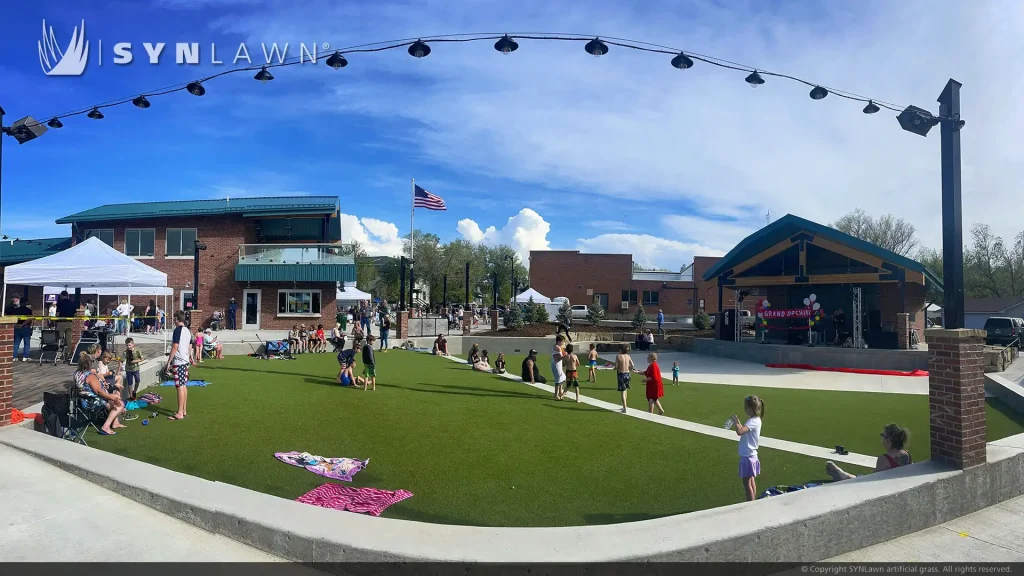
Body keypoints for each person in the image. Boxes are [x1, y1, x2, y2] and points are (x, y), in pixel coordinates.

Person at [826, 424, 912, 482]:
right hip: (897, 485)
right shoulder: (906, 454)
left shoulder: (884, 459)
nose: (881, 438)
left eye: (882, 435)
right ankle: (844, 475)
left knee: (858, 480)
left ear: (888, 440)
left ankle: (844, 476)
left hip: (883, 488)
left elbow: (873, 481)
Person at [74, 352, 125, 435]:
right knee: (120, 403)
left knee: (116, 397)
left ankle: (115, 422)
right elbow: (99, 392)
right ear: (89, 364)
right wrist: (113, 399)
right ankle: (106, 427)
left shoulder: (77, 373)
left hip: (83, 399)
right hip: (92, 402)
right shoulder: (90, 376)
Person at [729, 395, 765, 502]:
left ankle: (750, 504)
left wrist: (735, 422)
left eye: (746, 408)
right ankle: (753, 502)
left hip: (747, 456)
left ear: (751, 409)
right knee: (751, 481)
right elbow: (744, 430)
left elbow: (740, 432)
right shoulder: (756, 420)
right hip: (752, 455)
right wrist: (739, 423)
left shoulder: (752, 421)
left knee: (747, 483)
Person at [167, 311, 192, 421]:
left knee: (179, 386)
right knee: (183, 385)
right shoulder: (188, 330)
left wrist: (169, 362)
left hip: (179, 361)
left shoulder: (178, 330)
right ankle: (184, 410)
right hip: (185, 361)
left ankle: (180, 412)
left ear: (177, 319)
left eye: (174, 319)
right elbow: (190, 346)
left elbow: (175, 346)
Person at [9, 296, 32, 362]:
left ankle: (14, 356)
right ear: (25, 302)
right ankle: (25, 356)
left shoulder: (16, 310)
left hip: (17, 328)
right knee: (26, 343)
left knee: (16, 343)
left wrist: (16, 325)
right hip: (25, 327)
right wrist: (22, 325)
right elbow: (29, 319)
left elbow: (13, 319)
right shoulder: (28, 310)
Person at [615, 344, 635, 413]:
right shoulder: (628, 356)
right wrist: (628, 368)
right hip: (627, 374)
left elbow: (616, 366)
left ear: (620, 350)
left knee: (622, 392)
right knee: (625, 390)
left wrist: (616, 368)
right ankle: (624, 406)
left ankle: (624, 407)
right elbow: (632, 365)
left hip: (621, 374)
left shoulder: (618, 356)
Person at [55, 291, 77, 355]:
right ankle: (69, 352)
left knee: (59, 338)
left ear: (61, 296)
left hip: (61, 322)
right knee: (69, 339)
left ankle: (59, 353)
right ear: (67, 296)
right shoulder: (72, 303)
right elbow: (75, 314)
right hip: (69, 323)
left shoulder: (59, 303)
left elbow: (57, 314)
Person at [551, 335, 568, 400]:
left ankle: (560, 391)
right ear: (558, 341)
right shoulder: (557, 347)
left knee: (562, 377)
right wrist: (565, 355)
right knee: (558, 379)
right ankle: (556, 395)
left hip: (558, 364)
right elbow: (559, 358)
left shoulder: (559, 347)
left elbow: (563, 353)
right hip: (556, 365)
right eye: (562, 341)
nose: (563, 343)